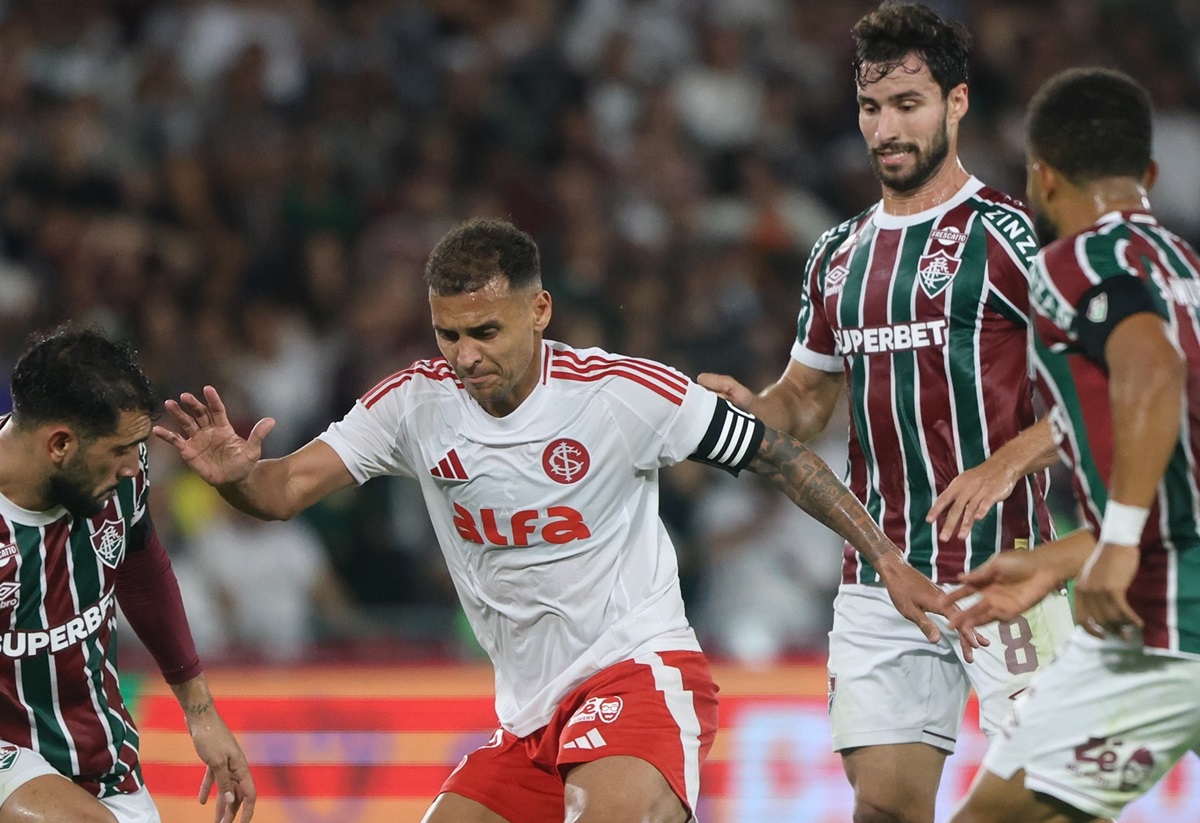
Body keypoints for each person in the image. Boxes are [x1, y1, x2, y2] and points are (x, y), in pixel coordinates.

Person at [154, 217, 976, 823]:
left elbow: (782, 457)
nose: (465, 355)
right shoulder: (413, 404)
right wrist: (237, 478)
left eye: (485, 331)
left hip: (637, 673)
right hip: (527, 719)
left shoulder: (620, 395)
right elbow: (284, 490)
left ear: (539, 309)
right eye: (448, 334)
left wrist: (888, 559)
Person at [697, 4, 1074, 822]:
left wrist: (1006, 462)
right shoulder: (836, 254)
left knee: (1049, 801)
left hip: (1006, 569)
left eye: (908, 104)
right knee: (884, 810)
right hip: (882, 578)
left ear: (956, 103)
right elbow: (803, 401)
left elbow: (1102, 384)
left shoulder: (1008, 235)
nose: (887, 128)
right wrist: (754, 410)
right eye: (872, 107)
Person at [942, 66, 1200, 823]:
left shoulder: (1071, 264)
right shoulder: (1185, 268)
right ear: (1148, 174)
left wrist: (1114, 545)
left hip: (1161, 617)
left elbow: (1150, 370)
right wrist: (1059, 561)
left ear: (1042, 177)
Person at [0, 326, 255, 823]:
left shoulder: (120, 472)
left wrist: (201, 711)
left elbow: (137, 565)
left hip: (103, 762)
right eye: (119, 450)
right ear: (59, 444)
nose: (132, 467)